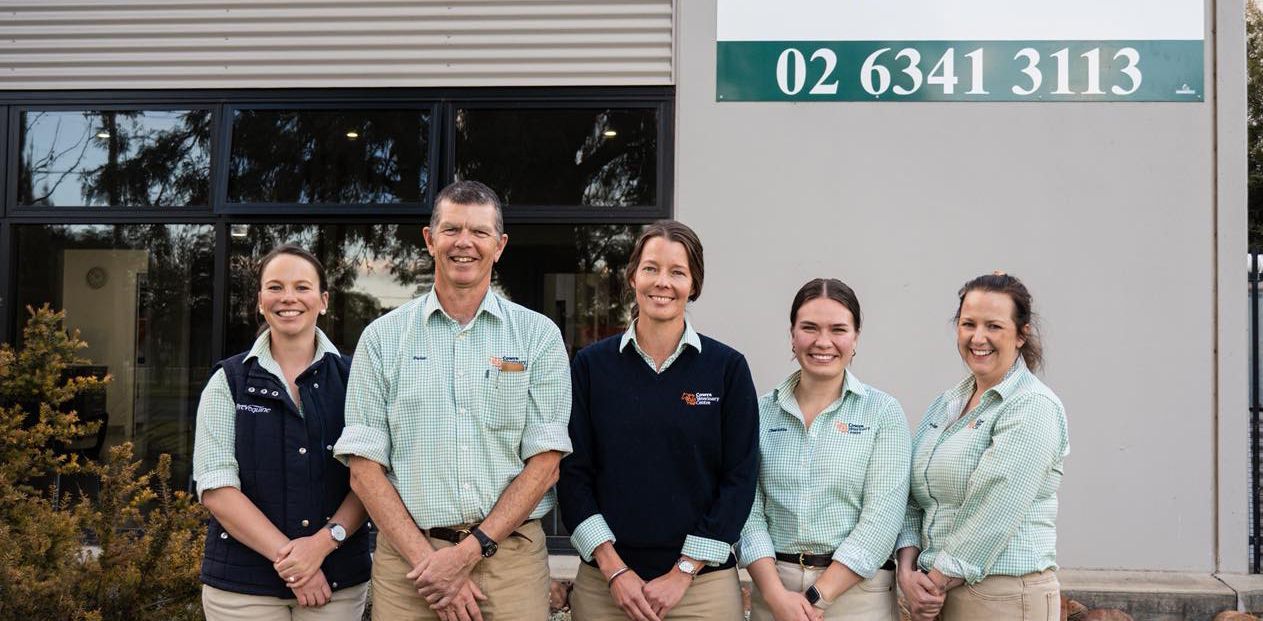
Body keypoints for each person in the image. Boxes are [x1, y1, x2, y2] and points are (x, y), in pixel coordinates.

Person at [333, 180, 572, 621]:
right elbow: (364, 470)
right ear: (429, 239)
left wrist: (465, 555)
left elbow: (545, 465)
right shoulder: (382, 339)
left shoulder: (538, 336)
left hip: (510, 563)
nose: (465, 243)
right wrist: (431, 563)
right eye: (452, 229)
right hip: (410, 564)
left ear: (499, 246)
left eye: (480, 233)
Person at [558, 219, 759, 621]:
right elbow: (572, 473)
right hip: (606, 586)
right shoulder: (591, 367)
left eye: (677, 272)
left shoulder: (727, 369)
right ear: (633, 277)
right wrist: (614, 570)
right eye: (651, 268)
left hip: (703, 588)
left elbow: (739, 480)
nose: (662, 282)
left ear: (694, 285)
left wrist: (684, 571)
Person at [193, 244, 371, 620]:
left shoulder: (357, 379)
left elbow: (370, 478)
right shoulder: (228, 381)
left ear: (323, 300)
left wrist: (321, 546)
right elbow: (217, 488)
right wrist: (294, 562)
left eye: (302, 287)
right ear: (260, 301)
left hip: (335, 583)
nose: (288, 298)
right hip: (242, 589)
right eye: (275, 287)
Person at [896, 272, 1069, 621]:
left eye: (994, 326)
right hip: (932, 594)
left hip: (1001, 596)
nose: (978, 338)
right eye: (968, 324)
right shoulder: (945, 405)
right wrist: (906, 569)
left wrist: (934, 583)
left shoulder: (1032, 406)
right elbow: (912, 496)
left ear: (1021, 335)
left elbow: (995, 507)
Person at [738, 278, 910, 621]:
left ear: (856, 337)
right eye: (809, 328)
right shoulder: (758, 412)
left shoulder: (883, 413)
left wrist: (816, 596)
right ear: (792, 334)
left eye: (838, 329)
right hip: (775, 592)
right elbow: (747, 512)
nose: (823, 342)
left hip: (857, 594)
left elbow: (881, 521)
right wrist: (776, 596)